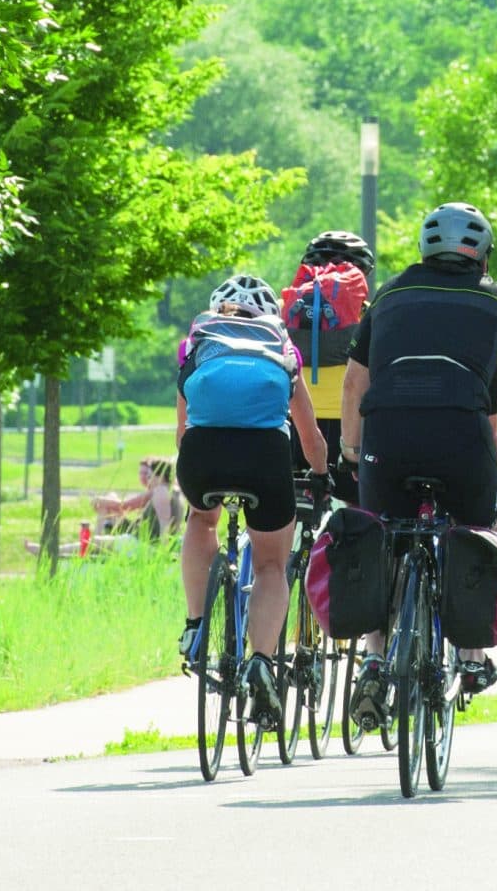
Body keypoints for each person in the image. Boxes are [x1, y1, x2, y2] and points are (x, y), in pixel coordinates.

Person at [339, 201, 497, 727]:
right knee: (480, 529)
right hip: (462, 439)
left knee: (385, 535)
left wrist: (350, 451)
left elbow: (352, 383)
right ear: (482, 255)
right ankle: (473, 659)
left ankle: (372, 657)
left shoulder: (387, 294)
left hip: (385, 438)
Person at [175, 274, 330, 723]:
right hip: (265, 458)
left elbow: (183, 430)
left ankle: (195, 626)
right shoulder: (284, 349)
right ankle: (261, 661)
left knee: (201, 522)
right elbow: (311, 437)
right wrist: (319, 478)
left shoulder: (197, 343)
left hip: (204, 455)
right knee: (269, 566)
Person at [284, 229, 376, 503]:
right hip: (349, 426)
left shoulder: (285, 308)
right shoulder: (371, 314)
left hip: (295, 423)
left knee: (286, 510)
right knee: (357, 502)